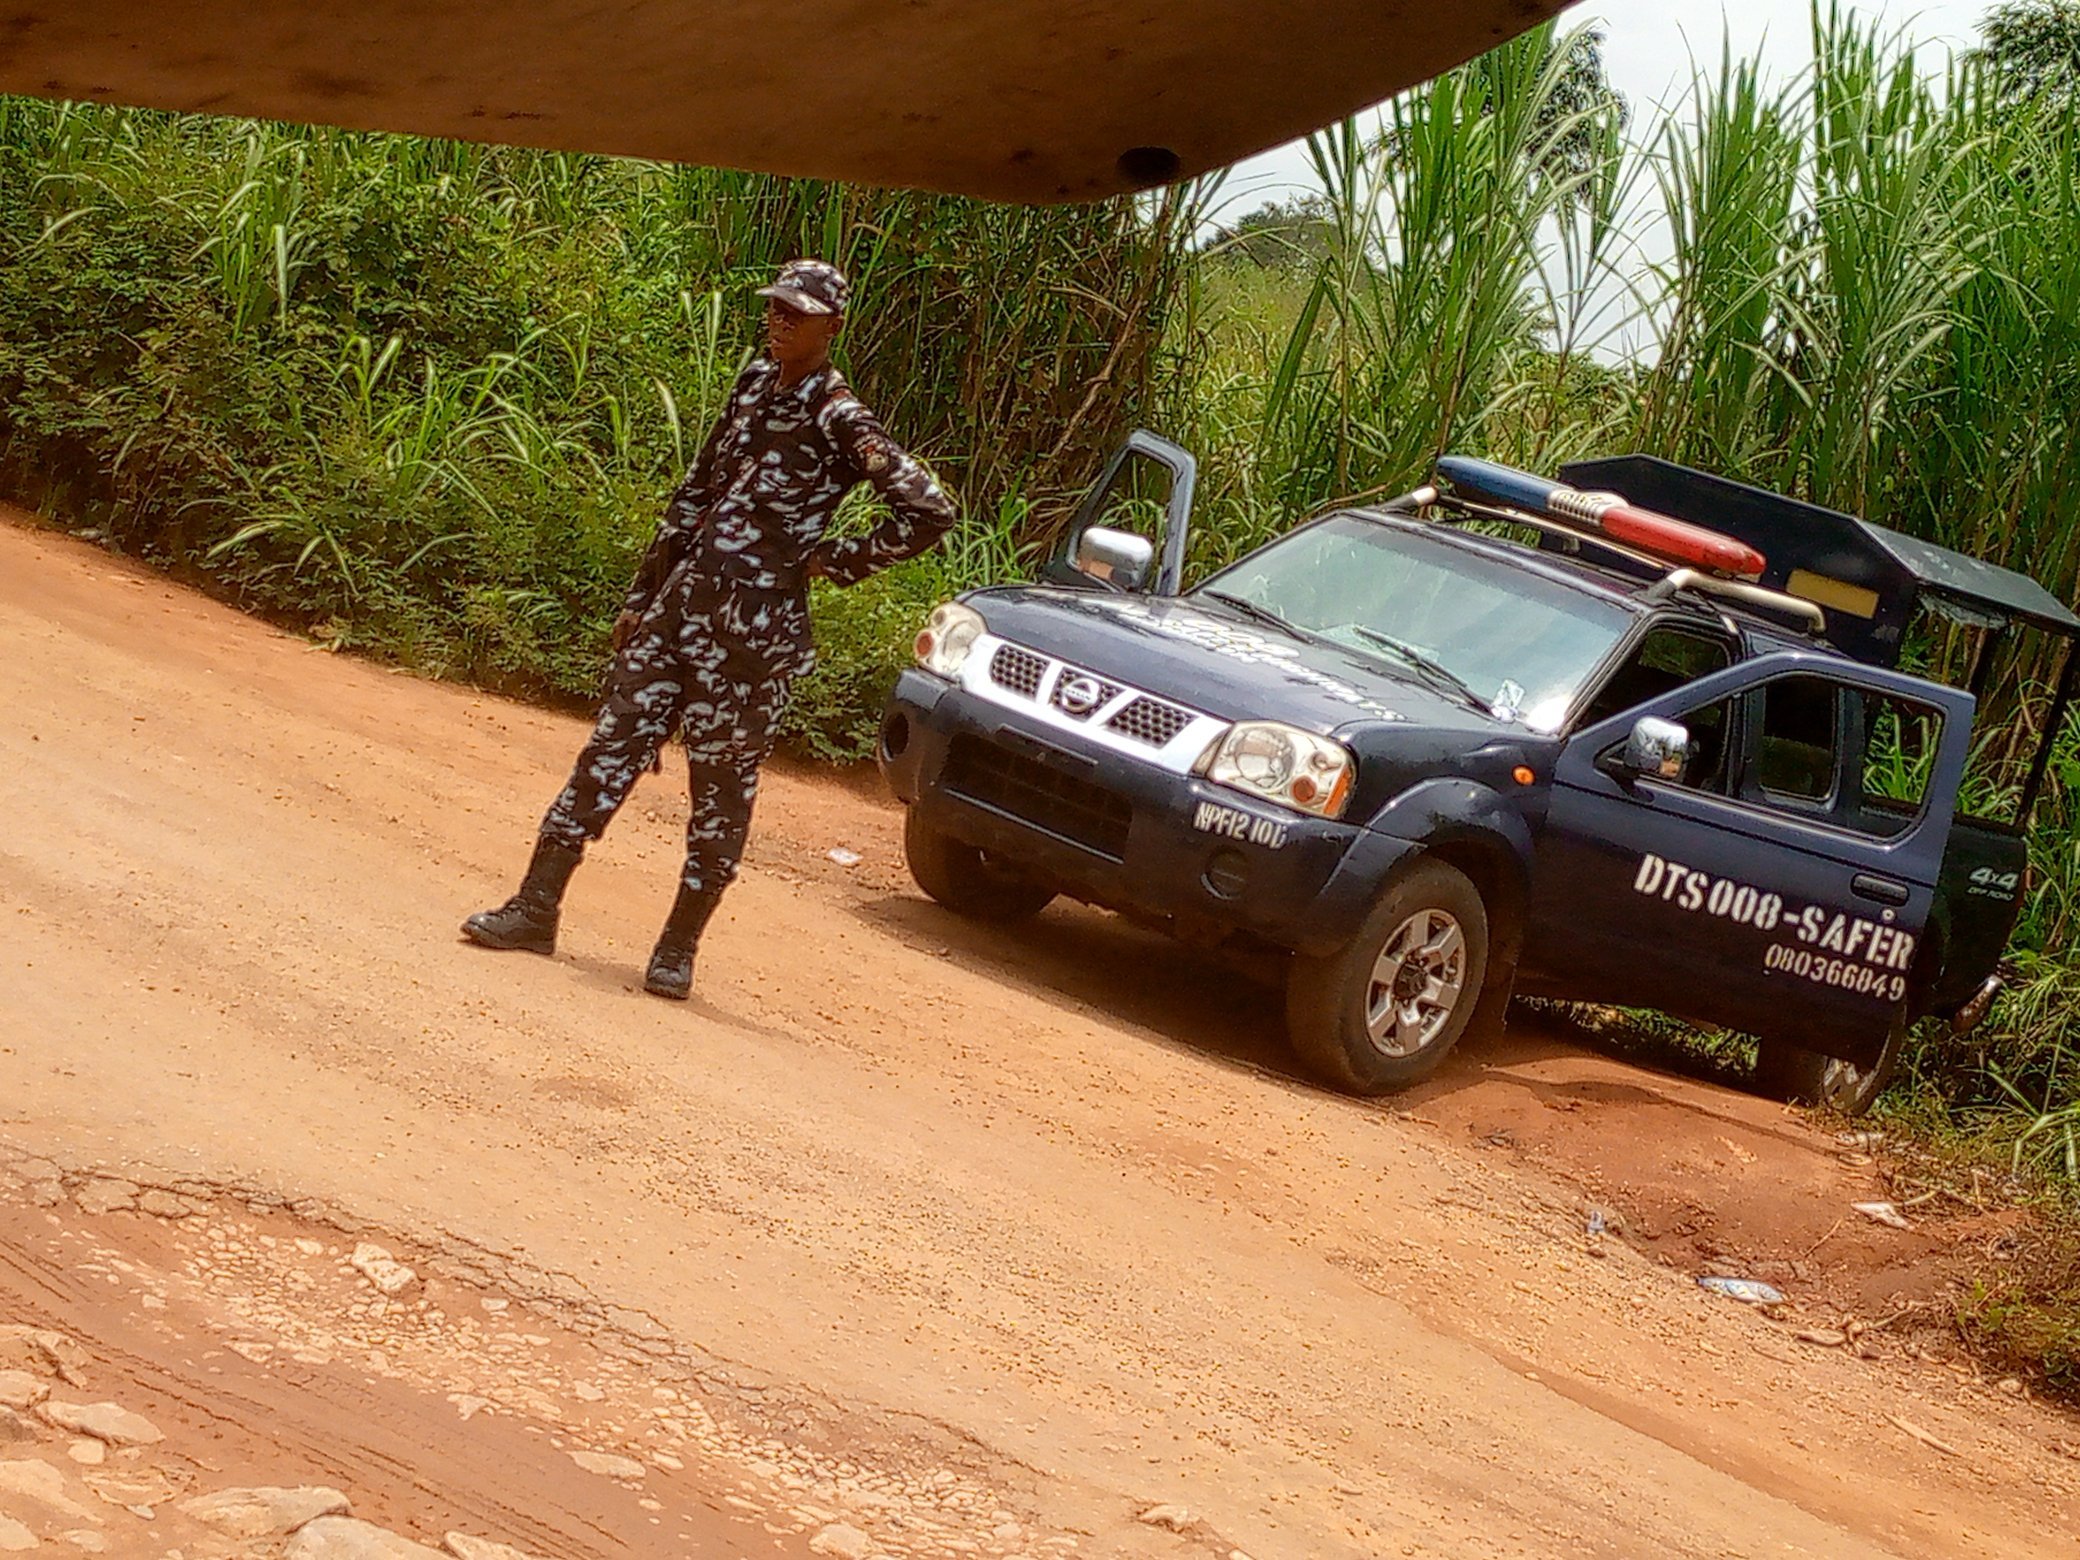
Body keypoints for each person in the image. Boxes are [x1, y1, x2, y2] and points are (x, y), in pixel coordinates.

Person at [462, 259, 957, 999]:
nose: (781, 321)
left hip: (751, 641)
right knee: (608, 752)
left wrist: (833, 561)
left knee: (721, 788)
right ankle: (535, 908)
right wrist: (643, 593)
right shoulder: (754, 384)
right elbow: (694, 491)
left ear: (832, 325)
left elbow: (929, 510)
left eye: (798, 312)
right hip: (679, 611)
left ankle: (676, 950)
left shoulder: (840, 417)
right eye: (776, 308)